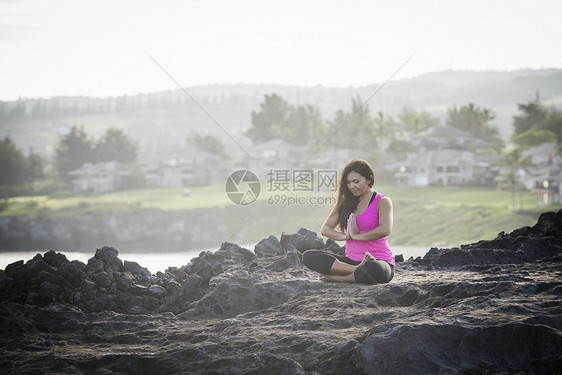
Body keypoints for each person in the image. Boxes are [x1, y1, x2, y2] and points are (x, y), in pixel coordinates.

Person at [303, 159, 395, 284]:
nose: (352, 186)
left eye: (356, 182)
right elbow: (325, 229)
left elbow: (385, 230)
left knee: (373, 269)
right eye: (348, 182)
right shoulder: (345, 203)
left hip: (379, 260)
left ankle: (341, 278)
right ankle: (356, 269)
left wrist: (356, 236)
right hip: (351, 261)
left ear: (369, 180)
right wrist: (346, 236)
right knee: (309, 256)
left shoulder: (382, 201)